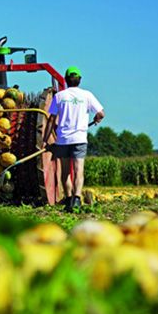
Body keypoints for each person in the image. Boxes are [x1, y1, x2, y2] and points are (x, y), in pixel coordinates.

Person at [42, 66, 105, 212]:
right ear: (80, 80)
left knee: (65, 173)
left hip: (63, 139)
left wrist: (45, 140)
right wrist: (96, 118)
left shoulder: (59, 96)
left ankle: (69, 200)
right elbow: (101, 114)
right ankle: (76, 200)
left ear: (65, 80)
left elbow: (51, 120)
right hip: (80, 138)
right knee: (78, 171)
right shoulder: (87, 95)